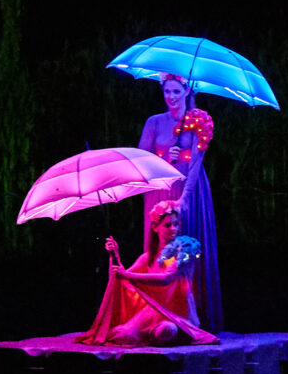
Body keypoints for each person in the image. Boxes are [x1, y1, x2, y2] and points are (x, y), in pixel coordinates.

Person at [137, 73, 223, 331]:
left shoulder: (199, 120)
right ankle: (160, 313)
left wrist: (185, 198)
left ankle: (192, 314)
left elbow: (196, 163)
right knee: (162, 248)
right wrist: (164, 156)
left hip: (190, 188)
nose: (171, 97)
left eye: (176, 92)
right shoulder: (154, 122)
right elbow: (142, 159)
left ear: (186, 91)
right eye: (167, 92)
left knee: (187, 246)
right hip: (161, 187)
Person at [77, 200, 218, 347]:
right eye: (168, 225)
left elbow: (165, 278)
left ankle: (155, 335)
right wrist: (114, 255)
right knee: (121, 335)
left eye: (176, 224)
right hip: (151, 314)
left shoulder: (185, 252)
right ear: (155, 227)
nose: (173, 229)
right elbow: (120, 279)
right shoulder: (147, 257)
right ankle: (146, 335)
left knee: (166, 330)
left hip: (176, 315)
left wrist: (126, 275)